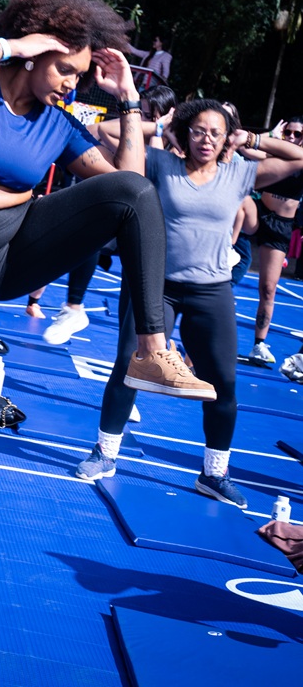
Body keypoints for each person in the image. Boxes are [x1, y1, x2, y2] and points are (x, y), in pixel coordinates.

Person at [0, 0, 210, 630]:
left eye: (80, 76)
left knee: (132, 195)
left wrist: (128, 102)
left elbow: (128, 180)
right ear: (33, 50)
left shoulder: (59, 121)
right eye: (65, 70)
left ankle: (151, 349)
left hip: (14, 248)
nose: (71, 85)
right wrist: (15, 44)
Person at [76, 100, 303, 509]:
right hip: (156, 286)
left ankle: (213, 474)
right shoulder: (162, 164)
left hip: (210, 291)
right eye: (198, 130)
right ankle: (105, 453)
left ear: (227, 138)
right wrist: (159, 126)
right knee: (129, 365)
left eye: (216, 132)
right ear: (186, 133)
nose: (206, 140)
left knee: (223, 383)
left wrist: (252, 139)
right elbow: (106, 133)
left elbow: (299, 158)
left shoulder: (239, 172)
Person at [35, 84, 178, 340]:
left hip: (161, 236)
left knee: (139, 318)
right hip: (131, 223)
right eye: (141, 114)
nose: (143, 121)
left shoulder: (177, 149)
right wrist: (149, 124)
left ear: (168, 115)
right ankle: (73, 307)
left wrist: (160, 130)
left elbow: (152, 164)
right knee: (89, 234)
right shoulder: (135, 141)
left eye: (150, 116)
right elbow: (100, 129)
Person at [244, 116, 303, 363]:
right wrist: (269, 135)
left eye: (297, 134)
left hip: (281, 225)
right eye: (288, 133)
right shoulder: (272, 154)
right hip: (258, 214)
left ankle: (259, 344)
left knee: (268, 288)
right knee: (240, 199)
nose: (291, 137)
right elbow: (243, 146)